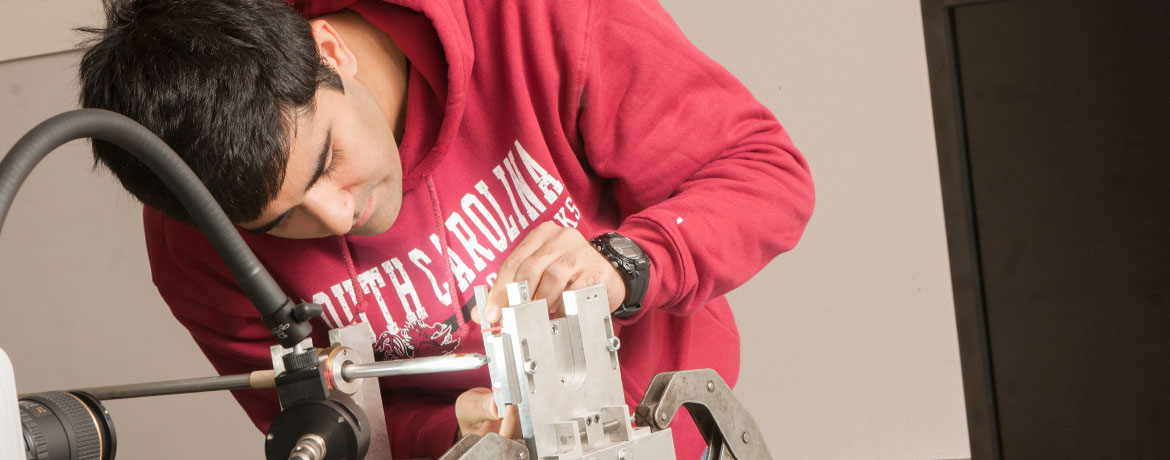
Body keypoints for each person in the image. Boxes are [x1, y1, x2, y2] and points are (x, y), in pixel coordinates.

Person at [78, 0, 814, 458]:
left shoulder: (534, 18)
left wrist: (626, 262)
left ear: (330, 52)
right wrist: (456, 432)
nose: (337, 215)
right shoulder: (196, 244)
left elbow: (763, 172)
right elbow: (332, 428)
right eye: (280, 221)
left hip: (669, 437)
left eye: (328, 160)